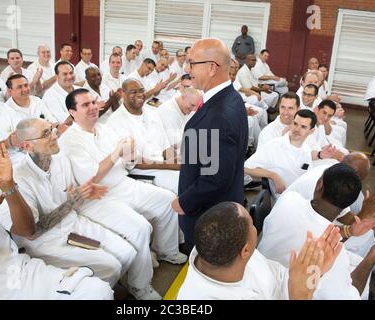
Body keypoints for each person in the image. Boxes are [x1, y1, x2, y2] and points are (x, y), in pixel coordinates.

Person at [59, 88, 187, 299]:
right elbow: (91, 178)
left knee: (168, 200)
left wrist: (129, 153)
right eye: (85, 105)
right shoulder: (71, 139)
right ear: (72, 112)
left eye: (93, 102)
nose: (92, 108)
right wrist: (116, 152)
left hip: (122, 184)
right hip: (97, 196)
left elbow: (127, 164)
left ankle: (166, 249)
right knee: (140, 227)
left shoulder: (104, 129)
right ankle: (140, 286)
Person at [0, 140, 113, 300]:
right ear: (27, 145)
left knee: (99, 290)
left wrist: (8, 185)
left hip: (20, 269)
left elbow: (26, 229)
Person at [14, 118, 137, 288]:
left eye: (52, 129)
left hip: (72, 222)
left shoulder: (59, 159)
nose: (55, 136)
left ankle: (114, 288)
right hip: (46, 242)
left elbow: (71, 197)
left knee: (128, 253)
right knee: (111, 266)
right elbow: (33, 232)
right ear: (27, 146)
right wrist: (72, 202)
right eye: (46, 134)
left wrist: (84, 194)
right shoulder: (19, 178)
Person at [177, 201, 343, 300]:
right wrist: (300, 296)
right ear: (245, 250)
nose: (255, 227)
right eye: (251, 224)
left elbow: (279, 279)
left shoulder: (229, 253)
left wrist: (314, 272)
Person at [174, 38, 248, 251]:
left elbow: (214, 178)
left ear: (212, 68)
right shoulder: (230, 98)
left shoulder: (219, 114)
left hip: (208, 217)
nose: (187, 70)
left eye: (191, 63)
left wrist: (184, 202)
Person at [258, 164, 375, 299]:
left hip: (261, 272)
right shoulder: (334, 257)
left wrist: (349, 231)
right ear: (349, 204)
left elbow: (315, 226)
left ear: (319, 184)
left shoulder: (289, 198)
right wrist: (370, 258)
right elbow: (350, 296)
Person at [107, 79, 180, 194]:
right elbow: (133, 162)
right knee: (181, 183)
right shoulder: (115, 121)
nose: (140, 95)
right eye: (133, 92)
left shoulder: (152, 113)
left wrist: (176, 160)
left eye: (141, 90)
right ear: (123, 93)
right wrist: (170, 165)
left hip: (163, 165)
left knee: (195, 175)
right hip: (141, 172)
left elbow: (165, 145)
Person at [245, 110, 316, 196]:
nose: (297, 129)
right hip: (284, 198)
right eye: (295, 124)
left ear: (311, 131)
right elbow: (246, 167)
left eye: (303, 127)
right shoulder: (274, 145)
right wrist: (273, 175)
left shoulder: (306, 149)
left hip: (302, 195)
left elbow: (307, 176)